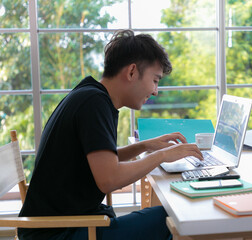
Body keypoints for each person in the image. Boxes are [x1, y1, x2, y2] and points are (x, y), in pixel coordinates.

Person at [18, 29, 203, 240]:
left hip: (66, 223)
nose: (155, 91)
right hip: (58, 233)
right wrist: (162, 156)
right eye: (155, 80)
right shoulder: (94, 104)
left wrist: (145, 146)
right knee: (171, 219)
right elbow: (109, 179)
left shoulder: (90, 94)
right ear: (132, 72)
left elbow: (100, 159)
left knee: (166, 217)